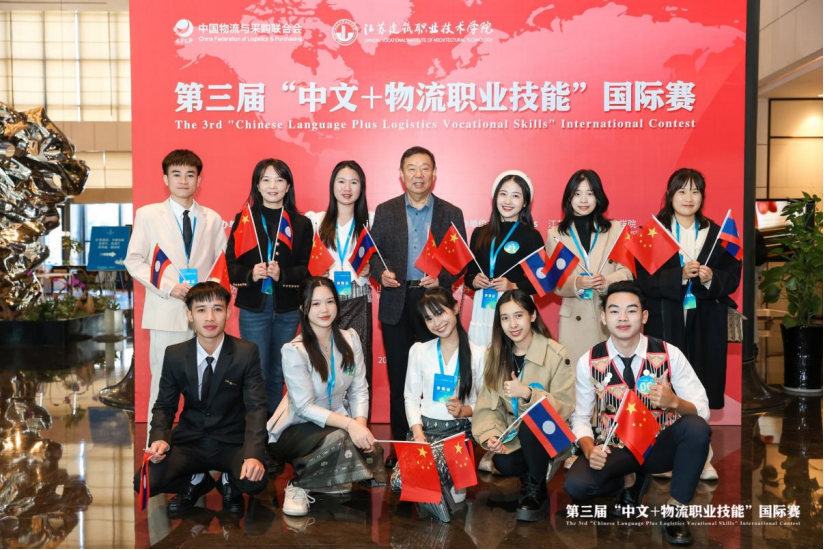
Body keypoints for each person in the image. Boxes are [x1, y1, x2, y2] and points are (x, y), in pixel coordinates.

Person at [565, 280, 712, 546]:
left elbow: (702, 408)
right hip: (615, 447)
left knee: (697, 428)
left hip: (659, 446)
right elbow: (581, 417)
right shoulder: (589, 360)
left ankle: (676, 510)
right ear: (603, 317)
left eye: (631, 310)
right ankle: (629, 480)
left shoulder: (669, 354)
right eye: (614, 311)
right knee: (577, 486)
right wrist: (589, 449)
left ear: (644, 316)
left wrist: (675, 402)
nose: (623, 318)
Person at [635, 168, 741, 480]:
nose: (688, 198)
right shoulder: (654, 233)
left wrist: (710, 278)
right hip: (664, 320)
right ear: (670, 195)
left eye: (695, 191)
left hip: (705, 322)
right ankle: (661, 457)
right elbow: (644, 280)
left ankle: (702, 458)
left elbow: (732, 277)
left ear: (703, 197)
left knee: (700, 385)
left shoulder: (716, 234)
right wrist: (679, 276)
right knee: (661, 385)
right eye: (682, 191)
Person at [369, 146, 467, 467]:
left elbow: (460, 260)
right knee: (400, 379)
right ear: (401, 175)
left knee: (436, 377)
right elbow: (372, 254)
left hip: (433, 304)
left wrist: (442, 279)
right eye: (411, 168)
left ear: (434, 174)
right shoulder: (386, 210)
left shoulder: (451, 212)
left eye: (425, 168)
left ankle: (436, 444)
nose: (418, 175)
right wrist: (380, 274)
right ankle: (402, 449)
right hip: (397, 300)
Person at [135, 281, 268, 516]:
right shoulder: (175, 354)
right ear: (189, 315)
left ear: (228, 312)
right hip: (191, 441)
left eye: (217, 309)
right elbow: (165, 405)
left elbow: (256, 408)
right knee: (144, 481)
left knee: (255, 479)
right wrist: (159, 439)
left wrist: (253, 455)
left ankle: (228, 482)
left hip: (232, 442)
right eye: (201, 310)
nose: (210, 317)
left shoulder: (246, 352)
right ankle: (196, 481)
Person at [125, 149, 227, 429]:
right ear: (165, 179)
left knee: (207, 385)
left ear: (199, 180)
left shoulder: (212, 218)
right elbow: (134, 261)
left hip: (205, 317)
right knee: (163, 384)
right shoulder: (148, 215)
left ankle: (203, 445)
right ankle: (156, 444)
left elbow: (221, 263)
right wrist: (170, 288)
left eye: (190, 175)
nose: (183, 180)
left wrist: (206, 296)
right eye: (177, 174)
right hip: (166, 311)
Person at [267, 277, 386, 517]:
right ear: (303, 308)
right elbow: (304, 407)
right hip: (297, 427)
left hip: (338, 422)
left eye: (330, 302)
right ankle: (298, 485)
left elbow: (359, 389)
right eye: (316, 303)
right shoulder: (295, 350)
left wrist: (360, 425)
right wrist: (350, 425)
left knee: (372, 450)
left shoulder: (350, 339)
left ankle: (328, 477)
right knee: (341, 439)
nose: (324, 309)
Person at [472, 289, 575, 522]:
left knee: (532, 421)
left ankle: (536, 488)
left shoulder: (556, 353)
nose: (512, 325)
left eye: (518, 315)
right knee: (503, 461)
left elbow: (566, 406)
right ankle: (531, 474)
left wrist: (528, 394)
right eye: (505, 318)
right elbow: (488, 406)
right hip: (514, 436)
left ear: (533, 316)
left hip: (550, 435)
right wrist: (492, 435)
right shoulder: (495, 355)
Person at [226, 158, 313, 417]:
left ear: (288, 186)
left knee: (278, 372)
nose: (272, 186)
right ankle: (255, 429)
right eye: (266, 180)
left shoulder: (300, 223)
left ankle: (274, 427)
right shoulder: (245, 220)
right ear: (257, 185)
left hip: (287, 308)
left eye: (279, 180)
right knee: (257, 371)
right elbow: (231, 265)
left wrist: (282, 274)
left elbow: (306, 268)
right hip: (254, 308)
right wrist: (251, 274)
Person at [390, 288, 485, 522]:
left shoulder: (478, 353)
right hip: (426, 433)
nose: (436, 323)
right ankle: (435, 488)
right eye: (429, 318)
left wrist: (464, 411)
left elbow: (485, 404)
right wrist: (417, 433)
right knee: (397, 481)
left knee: (452, 495)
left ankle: (433, 487)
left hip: (459, 434)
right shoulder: (420, 351)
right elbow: (411, 398)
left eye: (440, 313)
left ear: (455, 308)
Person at [546, 169, 633, 367]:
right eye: (577, 194)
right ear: (569, 198)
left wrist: (607, 281)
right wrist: (576, 283)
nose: (584, 200)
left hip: (610, 315)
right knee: (577, 378)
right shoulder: (555, 235)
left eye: (590, 193)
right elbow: (554, 283)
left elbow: (628, 272)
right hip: (574, 321)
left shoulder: (616, 230)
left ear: (598, 197)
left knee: (614, 376)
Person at [305, 161, 374, 402]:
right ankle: (323, 418)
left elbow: (383, 260)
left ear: (361, 187)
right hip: (324, 303)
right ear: (332, 185)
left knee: (358, 364)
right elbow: (303, 259)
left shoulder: (371, 221)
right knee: (322, 363)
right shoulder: (315, 221)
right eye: (341, 181)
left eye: (354, 182)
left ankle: (358, 418)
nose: (347, 188)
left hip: (358, 300)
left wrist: (372, 268)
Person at [465, 170, 545, 346]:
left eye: (515, 196)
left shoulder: (531, 236)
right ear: (495, 197)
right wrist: (475, 281)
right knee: (482, 356)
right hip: (483, 308)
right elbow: (468, 276)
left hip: (515, 308)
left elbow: (542, 281)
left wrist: (512, 286)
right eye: (503, 194)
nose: (507, 201)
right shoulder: (479, 233)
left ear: (525, 202)